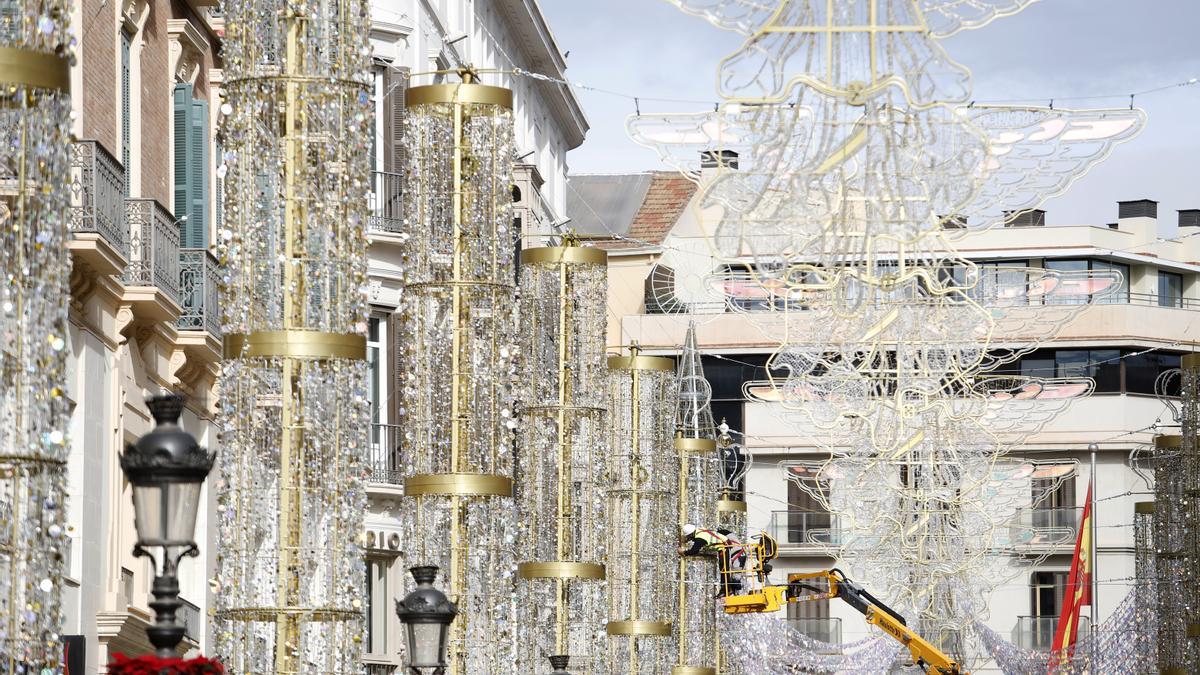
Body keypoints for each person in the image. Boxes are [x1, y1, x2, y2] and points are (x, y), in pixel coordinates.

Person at [679, 524, 746, 596]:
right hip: (724, 547)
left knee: (724, 570)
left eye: (689, 537)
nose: (690, 539)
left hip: (724, 548)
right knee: (724, 570)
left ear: (691, 534)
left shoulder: (700, 538)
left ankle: (725, 591)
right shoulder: (701, 531)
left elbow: (694, 551)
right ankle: (726, 590)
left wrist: (684, 552)